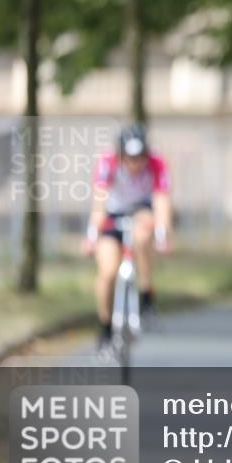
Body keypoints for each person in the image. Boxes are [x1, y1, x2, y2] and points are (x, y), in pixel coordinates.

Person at [83, 124, 172, 353]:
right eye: (130, 158)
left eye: (140, 157)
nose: (135, 163)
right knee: (108, 272)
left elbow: (162, 201)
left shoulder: (156, 164)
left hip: (141, 210)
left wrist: (162, 234)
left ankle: (146, 294)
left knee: (143, 235)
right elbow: (99, 202)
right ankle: (105, 327)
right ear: (120, 155)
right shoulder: (108, 163)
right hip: (113, 214)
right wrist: (92, 235)